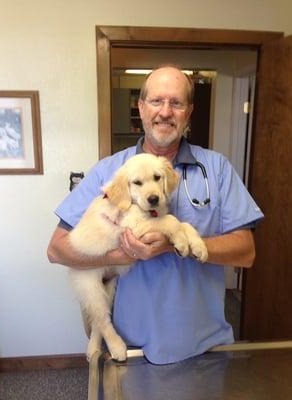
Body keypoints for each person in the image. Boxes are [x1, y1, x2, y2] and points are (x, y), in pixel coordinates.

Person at [47, 65, 264, 365]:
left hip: (203, 341)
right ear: (141, 107)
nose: (165, 112)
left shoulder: (217, 169)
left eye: (176, 103)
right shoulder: (110, 171)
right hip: (132, 344)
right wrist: (118, 257)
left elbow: (247, 252)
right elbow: (57, 250)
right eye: (156, 101)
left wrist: (174, 246)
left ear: (189, 112)